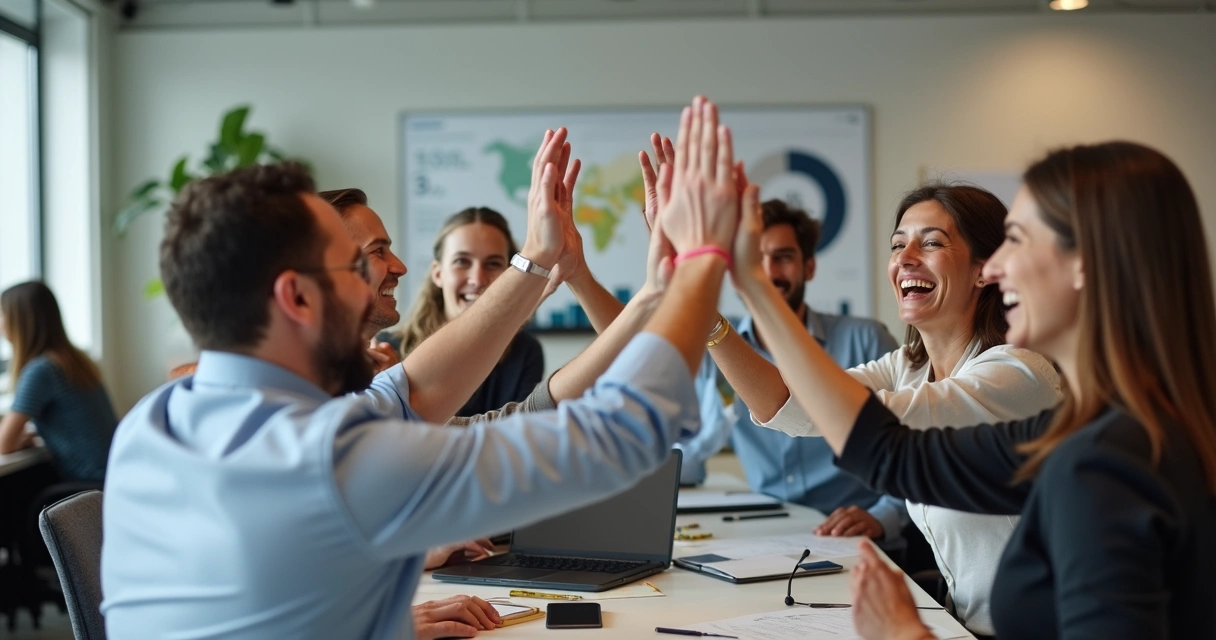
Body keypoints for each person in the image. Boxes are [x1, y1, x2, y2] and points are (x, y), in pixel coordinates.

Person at [101, 96, 744, 639]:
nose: (389, 278)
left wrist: (538, 260)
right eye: (356, 268)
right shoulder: (333, 458)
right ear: (295, 297)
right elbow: (616, 438)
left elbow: (409, 391)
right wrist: (697, 264)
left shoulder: (145, 429)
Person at [731, 141, 1216, 639]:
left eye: (1018, 240)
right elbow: (888, 452)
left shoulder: (1103, 455)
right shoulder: (1091, 432)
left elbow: (881, 444)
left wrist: (906, 634)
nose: (998, 266)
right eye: (898, 244)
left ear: (1085, 263)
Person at [744, 185, 1061, 636]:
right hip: (964, 623)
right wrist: (710, 315)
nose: (906, 257)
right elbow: (793, 408)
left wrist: (751, 284)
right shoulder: (907, 367)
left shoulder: (1016, 374)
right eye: (898, 245)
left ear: (983, 270)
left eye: (931, 242)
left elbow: (864, 426)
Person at [392, 207, 544, 416]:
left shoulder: (524, 351)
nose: (477, 279)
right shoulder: (389, 352)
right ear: (438, 274)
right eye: (461, 262)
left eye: (493, 264)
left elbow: (516, 437)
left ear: (510, 275)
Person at [0, 281, 117, 484]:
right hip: (114, 475)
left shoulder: (41, 370)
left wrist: (15, 441)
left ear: (18, 320)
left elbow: (3, 445)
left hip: (91, 485)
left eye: (2, 314)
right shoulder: (74, 359)